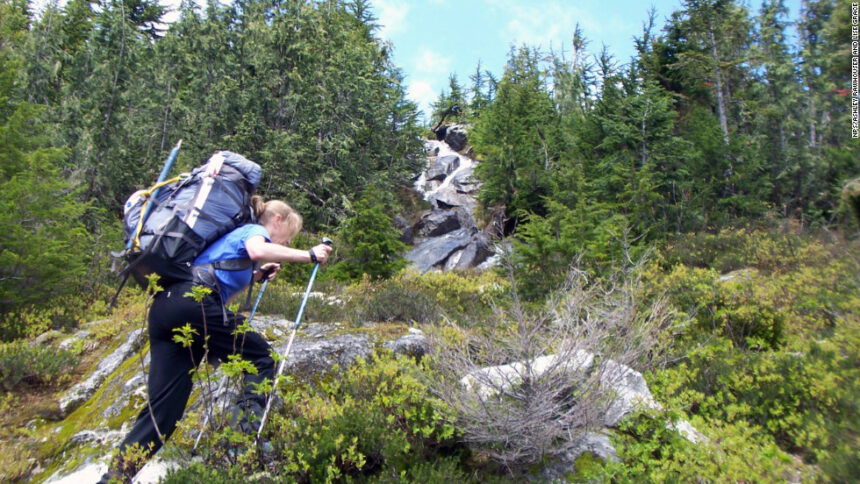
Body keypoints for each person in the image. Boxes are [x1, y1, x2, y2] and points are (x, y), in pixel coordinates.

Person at [98, 196, 332, 483]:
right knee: (262, 358)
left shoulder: (231, 243)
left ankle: (116, 477)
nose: (283, 245)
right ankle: (241, 441)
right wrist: (308, 254)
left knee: (163, 411)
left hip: (167, 309)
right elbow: (258, 249)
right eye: (287, 237)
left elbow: (220, 297)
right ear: (277, 220)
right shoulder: (252, 231)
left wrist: (255, 276)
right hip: (192, 305)